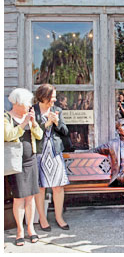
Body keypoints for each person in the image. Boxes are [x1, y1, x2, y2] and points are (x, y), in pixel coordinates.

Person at [4, 88, 43, 246]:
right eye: (27, 103)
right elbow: (7, 135)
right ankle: (19, 230)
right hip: (16, 163)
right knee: (19, 198)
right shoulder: (6, 117)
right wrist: (24, 123)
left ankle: (31, 228)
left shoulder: (29, 116)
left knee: (31, 197)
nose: (29, 106)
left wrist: (33, 123)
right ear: (17, 103)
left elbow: (39, 135)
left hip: (30, 161)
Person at [34, 84, 70, 232]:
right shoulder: (33, 110)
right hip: (39, 153)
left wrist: (56, 123)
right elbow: (31, 132)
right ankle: (42, 219)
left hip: (54, 152)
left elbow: (65, 131)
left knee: (58, 186)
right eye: (52, 97)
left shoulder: (57, 110)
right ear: (44, 97)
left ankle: (59, 217)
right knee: (40, 187)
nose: (54, 101)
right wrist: (46, 123)